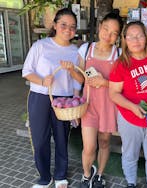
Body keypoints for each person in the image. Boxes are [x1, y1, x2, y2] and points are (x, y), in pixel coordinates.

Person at [22, 8, 82, 188]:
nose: (68, 30)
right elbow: (26, 72)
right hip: (40, 97)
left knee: (62, 139)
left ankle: (61, 175)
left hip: (64, 101)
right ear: (55, 25)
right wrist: (42, 80)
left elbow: (80, 81)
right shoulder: (40, 46)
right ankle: (44, 177)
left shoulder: (75, 51)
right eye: (63, 25)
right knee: (40, 140)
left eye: (72, 27)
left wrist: (72, 71)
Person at [109, 21, 147, 188]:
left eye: (140, 36)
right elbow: (113, 93)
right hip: (129, 117)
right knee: (129, 154)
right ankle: (131, 183)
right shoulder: (121, 64)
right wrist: (132, 107)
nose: (135, 40)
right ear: (125, 40)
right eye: (131, 37)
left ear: (146, 38)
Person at [78, 12, 123, 188]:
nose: (108, 35)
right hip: (88, 105)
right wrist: (70, 70)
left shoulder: (119, 54)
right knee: (89, 147)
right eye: (106, 29)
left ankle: (100, 175)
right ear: (99, 27)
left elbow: (123, 84)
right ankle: (87, 175)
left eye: (114, 33)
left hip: (108, 106)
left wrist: (103, 82)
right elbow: (81, 78)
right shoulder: (86, 49)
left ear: (118, 36)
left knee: (104, 142)